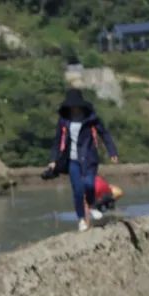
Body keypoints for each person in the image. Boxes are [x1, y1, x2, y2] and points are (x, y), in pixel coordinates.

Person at [47, 89, 119, 233]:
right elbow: (57, 141)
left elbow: (104, 134)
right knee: (78, 190)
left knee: (88, 184)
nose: (74, 108)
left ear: (81, 105)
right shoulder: (64, 120)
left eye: (76, 106)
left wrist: (112, 152)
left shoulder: (91, 118)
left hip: (89, 158)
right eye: (71, 106)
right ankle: (81, 218)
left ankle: (92, 206)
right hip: (72, 160)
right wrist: (53, 159)